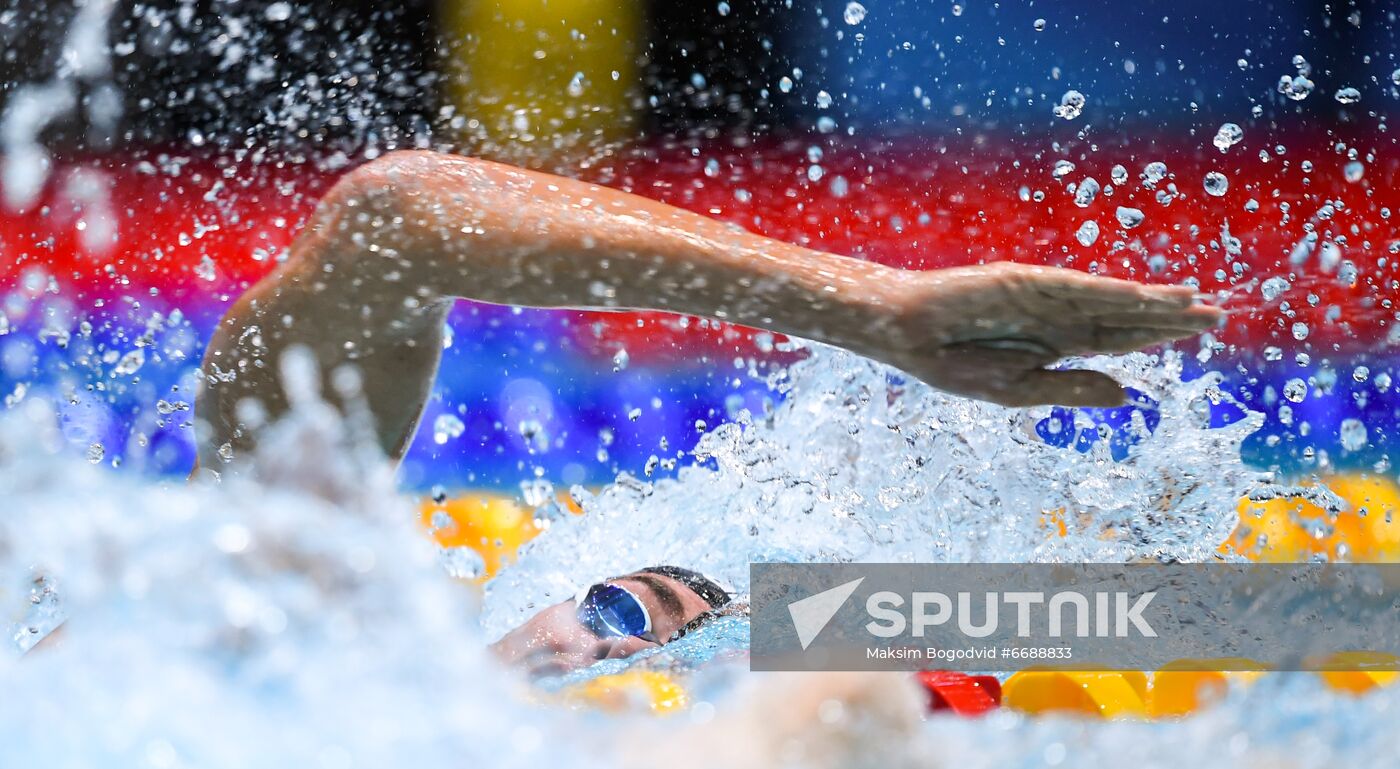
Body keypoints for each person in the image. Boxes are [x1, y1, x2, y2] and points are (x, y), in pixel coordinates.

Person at [195, 150, 1221, 670]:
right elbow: (394, 220)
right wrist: (875, 309)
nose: (597, 649)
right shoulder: (242, 631)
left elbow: (1305, 622)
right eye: (620, 607)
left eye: (639, 638)